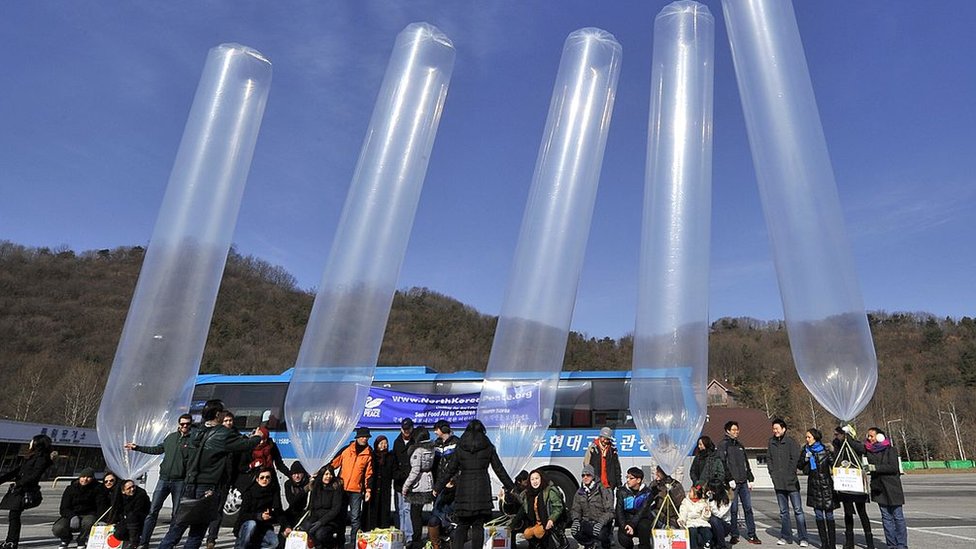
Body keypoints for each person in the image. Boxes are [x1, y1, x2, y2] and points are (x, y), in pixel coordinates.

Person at [158, 399, 263, 549]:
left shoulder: (195, 432)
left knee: (177, 526)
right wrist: (257, 437)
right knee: (197, 532)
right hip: (208, 486)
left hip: (189, 484)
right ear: (218, 414)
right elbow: (245, 445)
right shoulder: (223, 434)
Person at [433, 419, 514, 549]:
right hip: (482, 489)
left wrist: (438, 487)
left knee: (462, 525)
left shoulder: (461, 446)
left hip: (463, 489)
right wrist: (511, 487)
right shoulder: (487, 446)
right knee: (478, 526)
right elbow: (499, 469)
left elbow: (450, 470)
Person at [124, 413, 194, 548]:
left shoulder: (192, 440)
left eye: (187, 424)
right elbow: (157, 449)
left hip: (180, 481)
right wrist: (137, 447)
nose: (185, 426)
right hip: (164, 479)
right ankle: (144, 542)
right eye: (182, 423)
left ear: (191, 424)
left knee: (176, 514)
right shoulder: (171, 437)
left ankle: (169, 542)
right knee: (152, 511)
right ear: (179, 424)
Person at [0, 434, 54, 549]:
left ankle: (12, 542)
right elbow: (17, 471)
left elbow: (35, 475)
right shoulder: (33, 457)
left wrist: (19, 483)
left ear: (37, 443)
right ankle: (10, 541)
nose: (30, 443)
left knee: (14, 515)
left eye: (32, 441)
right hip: (20, 489)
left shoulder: (42, 458)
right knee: (13, 515)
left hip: (25, 490)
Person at [717, 421, 760, 545]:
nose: (736, 432)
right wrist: (729, 478)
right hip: (732, 484)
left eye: (737, 429)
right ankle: (734, 534)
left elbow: (746, 463)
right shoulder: (723, 445)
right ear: (727, 431)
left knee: (748, 508)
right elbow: (722, 463)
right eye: (734, 429)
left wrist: (750, 478)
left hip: (743, 482)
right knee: (734, 510)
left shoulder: (740, 445)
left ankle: (752, 534)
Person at [831, 427, 874, 549]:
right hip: (845, 481)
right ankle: (849, 541)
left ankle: (869, 540)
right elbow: (836, 459)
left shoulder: (855, 444)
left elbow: (862, 449)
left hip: (856, 481)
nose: (836, 436)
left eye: (838, 434)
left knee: (862, 512)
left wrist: (848, 440)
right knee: (848, 512)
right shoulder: (837, 446)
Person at [864, 427, 907, 549]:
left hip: (892, 487)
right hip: (879, 488)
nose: (869, 438)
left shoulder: (891, 450)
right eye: (868, 436)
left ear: (879, 437)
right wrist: (847, 434)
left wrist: (875, 468)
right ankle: (891, 545)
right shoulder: (869, 451)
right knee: (886, 518)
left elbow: (893, 468)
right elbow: (856, 446)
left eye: (872, 436)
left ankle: (901, 544)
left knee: (898, 517)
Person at [208, 411, 246, 549]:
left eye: (230, 420)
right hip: (213, 478)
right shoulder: (214, 435)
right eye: (226, 421)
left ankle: (211, 538)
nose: (229, 423)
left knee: (218, 509)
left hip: (227, 478)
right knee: (205, 508)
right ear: (220, 422)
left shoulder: (236, 437)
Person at [768, 419, 808, 546]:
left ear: (783, 429)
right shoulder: (771, 442)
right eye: (773, 429)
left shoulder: (791, 442)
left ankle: (803, 538)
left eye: (777, 428)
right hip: (778, 482)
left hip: (791, 483)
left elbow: (794, 459)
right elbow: (769, 459)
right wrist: (772, 473)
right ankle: (786, 536)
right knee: (783, 512)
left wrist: (790, 475)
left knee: (798, 510)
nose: (775, 431)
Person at [798, 428, 838, 549]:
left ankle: (832, 544)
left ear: (815, 438)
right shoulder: (806, 450)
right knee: (818, 515)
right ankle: (824, 543)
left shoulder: (825, 450)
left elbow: (834, 464)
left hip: (826, 486)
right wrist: (805, 458)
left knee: (829, 515)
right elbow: (799, 465)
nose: (806, 439)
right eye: (806, 437)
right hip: (814, 486)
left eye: (809, 437)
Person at [331, 426, 374, 537]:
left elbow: (369, 474)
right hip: (342, 489)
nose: (365, 439)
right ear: (357, 437)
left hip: (357, 491)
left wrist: (368, 490)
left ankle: (354, 542)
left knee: (355, 518)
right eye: (363, 436)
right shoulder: (346, 449)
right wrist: (322, 472)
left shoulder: (369, 453)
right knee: (341, 515)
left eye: (367, 437)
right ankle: (340, 541)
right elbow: (333, 464)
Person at [52, 467, 109, 549]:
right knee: (58, 528)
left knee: (88, 522)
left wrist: (101, 519)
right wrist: (72, 516)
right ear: (79, 477)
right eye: (83, 477)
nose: (85, 479)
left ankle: (81, 540)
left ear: (92, 478)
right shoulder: (70, 489)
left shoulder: (98, 488)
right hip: (72, 514)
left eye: (88, 477)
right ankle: (65, 539)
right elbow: (64, 508)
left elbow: (101, 506)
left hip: (89, 514)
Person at [515, 470, 566, 549]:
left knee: (539, 532)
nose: (535, 481)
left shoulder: (549, 491)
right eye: (532, 479)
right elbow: (523, 510)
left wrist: (551, 519)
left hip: (548, 522)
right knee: (527, 533)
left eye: (537, 478)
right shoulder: (528, 494)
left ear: (541, 479)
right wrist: (513, 523)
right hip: (535, 523)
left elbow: (558, 507)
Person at [403, 428, 436, 549]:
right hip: (428, 481)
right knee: (421, 513)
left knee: (415, 514)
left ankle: (416, 540)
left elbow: (415, 471)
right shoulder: (431, 449)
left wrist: (406, 486)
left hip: (418, 485)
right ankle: (425, 537)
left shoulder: (418, 451)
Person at [234, 467, 282, 549]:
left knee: (274, 543)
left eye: (267, 477)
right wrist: (259, 516)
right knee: (252, 524)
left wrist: (271, 516)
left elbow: (278, 512)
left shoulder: (273, 492)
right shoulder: (250, 493)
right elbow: (243, 515)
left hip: (263, 528)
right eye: (262, 477)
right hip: (246, 526)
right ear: (257, 479)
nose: (265, 480)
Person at [429, 420, 459, 548]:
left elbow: (460, 465)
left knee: (451, 516)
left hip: (452, 486)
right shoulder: (436, 444)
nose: (435, 432)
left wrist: (453, 480)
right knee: (435, 515)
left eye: (437, 429)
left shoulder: (456, 442)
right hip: (439, 485)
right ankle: (437, 543)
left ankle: (451, 541)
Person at [570, 464, 613, 549]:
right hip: (586, 522)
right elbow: (575, 509)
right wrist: (575, 520)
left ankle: (606, 542)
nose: (585, 477)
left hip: (601, 523)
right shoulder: (579, 492)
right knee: (575, 531)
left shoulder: (603, 490)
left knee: (601, 534)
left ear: (593, 477)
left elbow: (610, 512)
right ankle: (590, 544)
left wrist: (600, 523)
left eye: (588, 475)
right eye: (583, 475)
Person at [306, 466, 345, 549]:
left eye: (330, 474)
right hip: (316, 517)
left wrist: (321, 522)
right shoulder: (316, 487)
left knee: (320, 534)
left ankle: (332, 544)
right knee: (307, 528)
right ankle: (318, 546)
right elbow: (312, 506)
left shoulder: (336, 488)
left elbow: (335, 509)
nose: (328, 476)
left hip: (330, 520)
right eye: (326, 474)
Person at [614, 467, 653, 549]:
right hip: (626, 520)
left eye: (631, 478)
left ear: (638, 480)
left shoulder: (647, 493)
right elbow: (619, 511)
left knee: (644, 527)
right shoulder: (622, 491)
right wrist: (624, 525)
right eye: (627, 477)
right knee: (624, 540)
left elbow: (642, 512)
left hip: (642, 520)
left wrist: (632, 524)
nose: (628, 480)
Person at [364, 435, 394, 531]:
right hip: (373, 487)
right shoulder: (372, 456)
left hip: (385, 488)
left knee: (384, 511)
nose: (383, 445)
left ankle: (383, 531)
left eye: (385, 443)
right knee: (372, 510)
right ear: (377, 444)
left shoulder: (390, 456)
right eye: (381, 443)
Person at [392, 418, 416, 541]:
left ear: (412, 428)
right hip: (399, 482)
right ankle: (400, 534)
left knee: (407, 509)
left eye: (408, 428)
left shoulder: (415, 442)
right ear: (401, 429)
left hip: (411, 481)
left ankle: (408, 536)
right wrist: (397, 475)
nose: (406, 431)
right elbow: (394, 462)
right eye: (404, 429)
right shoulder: (397, 443)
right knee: (399, 509)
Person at [111, 480, 151, 549]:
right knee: (118, 533)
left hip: (141, 518)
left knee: (132, 516)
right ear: (123, 491)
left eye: (133, 486)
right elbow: (118, 510)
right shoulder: (120, 497)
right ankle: (131, 539)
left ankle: (134, 542)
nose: (132, 489)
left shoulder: (141, 495)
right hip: (127, 519)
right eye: (129, 488)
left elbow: (137, 511)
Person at [281, 461, 311, 537]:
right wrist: (304, 490)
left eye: (299, 474)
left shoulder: (308, 482)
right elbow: (291, 501)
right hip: (292, 511)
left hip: (305, 513)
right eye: (294, 474)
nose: (297, 476)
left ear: (303, 474)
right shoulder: (288, 484)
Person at [677, 485, 712, 549]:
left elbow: (705, 518)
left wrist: (706, 513)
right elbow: (683, 512)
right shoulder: (686, 502)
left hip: (701, 522)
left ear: (696, 495)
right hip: (690, 522)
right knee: (693, 532)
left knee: (707, 533)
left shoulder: (703, 502)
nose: (688, 493)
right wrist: (682, 519)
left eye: (690, 492)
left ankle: (707, 546)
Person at [707, 483, 732, 549]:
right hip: (710, 524)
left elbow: (719, 515)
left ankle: (722, 545)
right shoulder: (708, 496)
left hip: (724, 526)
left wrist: (711, 501)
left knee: (714, 519)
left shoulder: (727, 500)